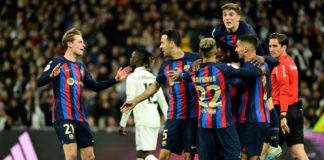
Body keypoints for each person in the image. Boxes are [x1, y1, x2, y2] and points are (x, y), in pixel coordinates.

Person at [37, 27, 132, 160]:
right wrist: (50, 76)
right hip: (63, 116)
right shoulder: (57, 63)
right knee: (71, 155)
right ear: (70, 44)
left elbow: (96, 86)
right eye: (80, 42)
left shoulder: (81, 68)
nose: (84, 45)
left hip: (80, 117)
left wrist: (115, 80)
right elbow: (39, 81)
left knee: (90, 157)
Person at [170, 37, 267, 160]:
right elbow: (251, 73)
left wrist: (180, 74)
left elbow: (186, 76)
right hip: (223, 123)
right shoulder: (223, 68)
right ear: (216, 51)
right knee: (234, 156)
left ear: (200, 52)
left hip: (204, 124)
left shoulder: (193, 71)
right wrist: (262, 68)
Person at [212, 3, 281, 157]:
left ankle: (274, 142)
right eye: (225, 15)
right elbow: (217, 49)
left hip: (249, 66)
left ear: (238, 17)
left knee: (265, 100)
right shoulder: (217, 31)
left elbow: (260, 54)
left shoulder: (247, 31)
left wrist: (262, 59)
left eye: (231, 14)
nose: (227, 18)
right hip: (235, 66)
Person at [121, 29, 200, 160]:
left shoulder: (195, 59)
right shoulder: (165, 65)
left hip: (191, 117)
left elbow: (204, 79)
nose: (160, 46)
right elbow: (155, 87)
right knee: (163, 155)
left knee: (188, 156)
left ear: (172, 43)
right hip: (173, 117)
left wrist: (184, 75)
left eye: (163, 43)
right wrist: (135, 100)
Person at [119, 48, 168, 160]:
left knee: (145, 154)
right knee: (140, 154)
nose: (131, 59)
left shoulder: (132, 77)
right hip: (154, 120)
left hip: (143, 120)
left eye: (132, 56)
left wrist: (123, 124)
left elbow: (129, 102)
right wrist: (170, 121)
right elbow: (163, 103)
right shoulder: (153, 78)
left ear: (138, 60)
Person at [267, 33, 309, 159]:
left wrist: (283, 115)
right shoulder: (290, 62)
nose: (271, 49)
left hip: (282, 111)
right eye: (269, 46)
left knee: (267, 153)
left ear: (284, 47)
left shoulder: (279, 65)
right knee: (298, 154)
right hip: (296, 110)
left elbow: (284, 90)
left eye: (275, 46)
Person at [234, 35, 271, 160]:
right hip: (263, 118)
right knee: (254, 157)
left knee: (243, 156)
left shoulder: (249, 67)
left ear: (245, 49)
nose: (235, 50)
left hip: (250, 118)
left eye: (237, 46)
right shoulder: (264, 65)